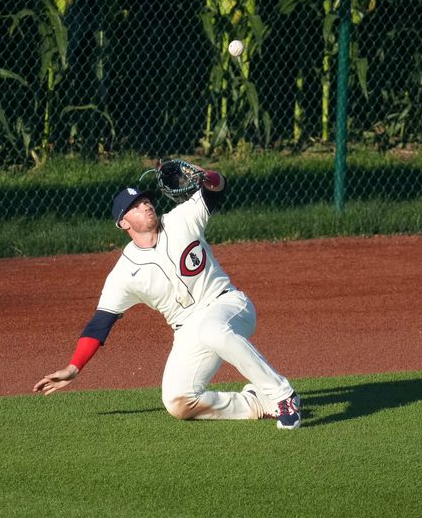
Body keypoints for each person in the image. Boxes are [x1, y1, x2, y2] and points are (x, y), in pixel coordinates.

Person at [32, 164, 301, 429]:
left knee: (213, 330)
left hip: (227, 303)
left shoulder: (182, 219)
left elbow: (217, 188)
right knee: (178, 401)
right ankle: (257, 404)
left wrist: (206, 175)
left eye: (146, 200)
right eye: (135, 206)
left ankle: (283, 396)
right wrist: (74, 367)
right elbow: (100, 323)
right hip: (187, 330)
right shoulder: (125, 273)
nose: (146, 206)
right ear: (123, 223)